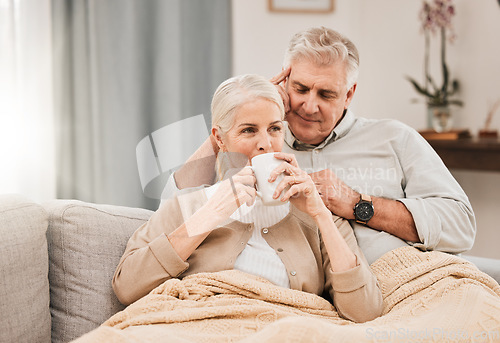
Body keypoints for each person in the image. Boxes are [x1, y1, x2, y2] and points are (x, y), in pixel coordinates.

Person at [167, 27, 476, 265]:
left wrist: (358, 205)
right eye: (300, 88)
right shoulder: (257, 144)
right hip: (302, 301)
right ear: (284, 82)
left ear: (349, 94)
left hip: (401, 281)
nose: (309, 106)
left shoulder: (395, 138)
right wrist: (235, 119)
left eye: (326, 94)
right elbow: (171, 206)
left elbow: (461, 225)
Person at [113, 74, 383, 323]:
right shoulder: (190, 204)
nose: (265, 142)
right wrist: (211, 213)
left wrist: (321, 215)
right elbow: (126, 287)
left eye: (275, 128)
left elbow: (365, 312)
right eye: (248, 130)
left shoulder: (316, 211)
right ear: (220, 139)